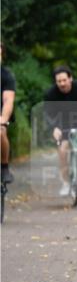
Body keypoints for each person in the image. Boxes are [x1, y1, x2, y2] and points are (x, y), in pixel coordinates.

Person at [42, 65, 77, 196]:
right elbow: (48, 114)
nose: (62, 84)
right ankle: (66, 183)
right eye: (59, 81)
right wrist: (53, 128)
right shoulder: (51, 94)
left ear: (70, 79)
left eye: (64, 80)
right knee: (62, 150)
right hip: (62, 123)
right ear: (55, 82)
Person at [1, 43, 15, 186]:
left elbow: (8, 100)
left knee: (0, 132)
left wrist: (3, 119)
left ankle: (4, 167)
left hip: (0, 115)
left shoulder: (6, 76)